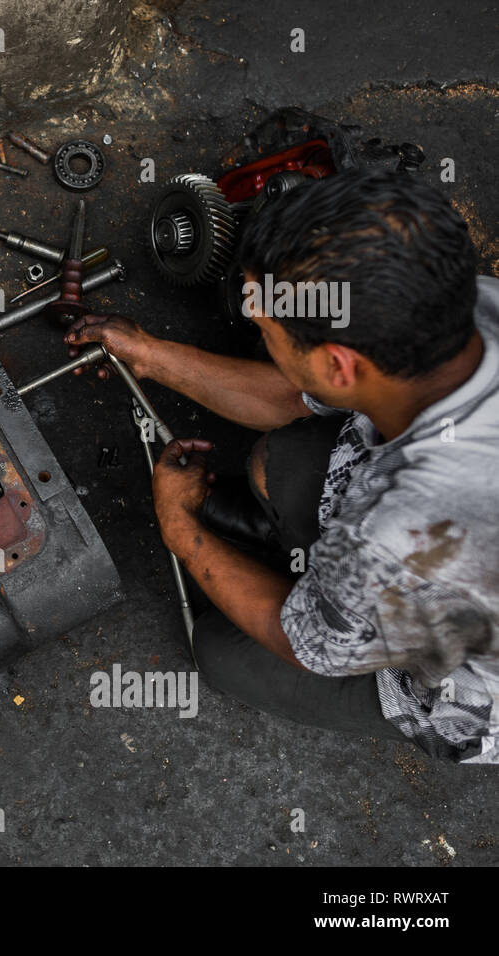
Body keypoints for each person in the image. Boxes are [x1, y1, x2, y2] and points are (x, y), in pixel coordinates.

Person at [66, 168, 499, 761]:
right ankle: (297, 555)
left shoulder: (397, 534)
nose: (257, 331)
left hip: (465, 687)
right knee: (284, 458)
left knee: (220, 651)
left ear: (342, 365)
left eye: (266, 330)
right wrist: (149, 356)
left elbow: (302, 642)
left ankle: (305, 574)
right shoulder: (478, 307)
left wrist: (181, 532)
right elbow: (295, 396)